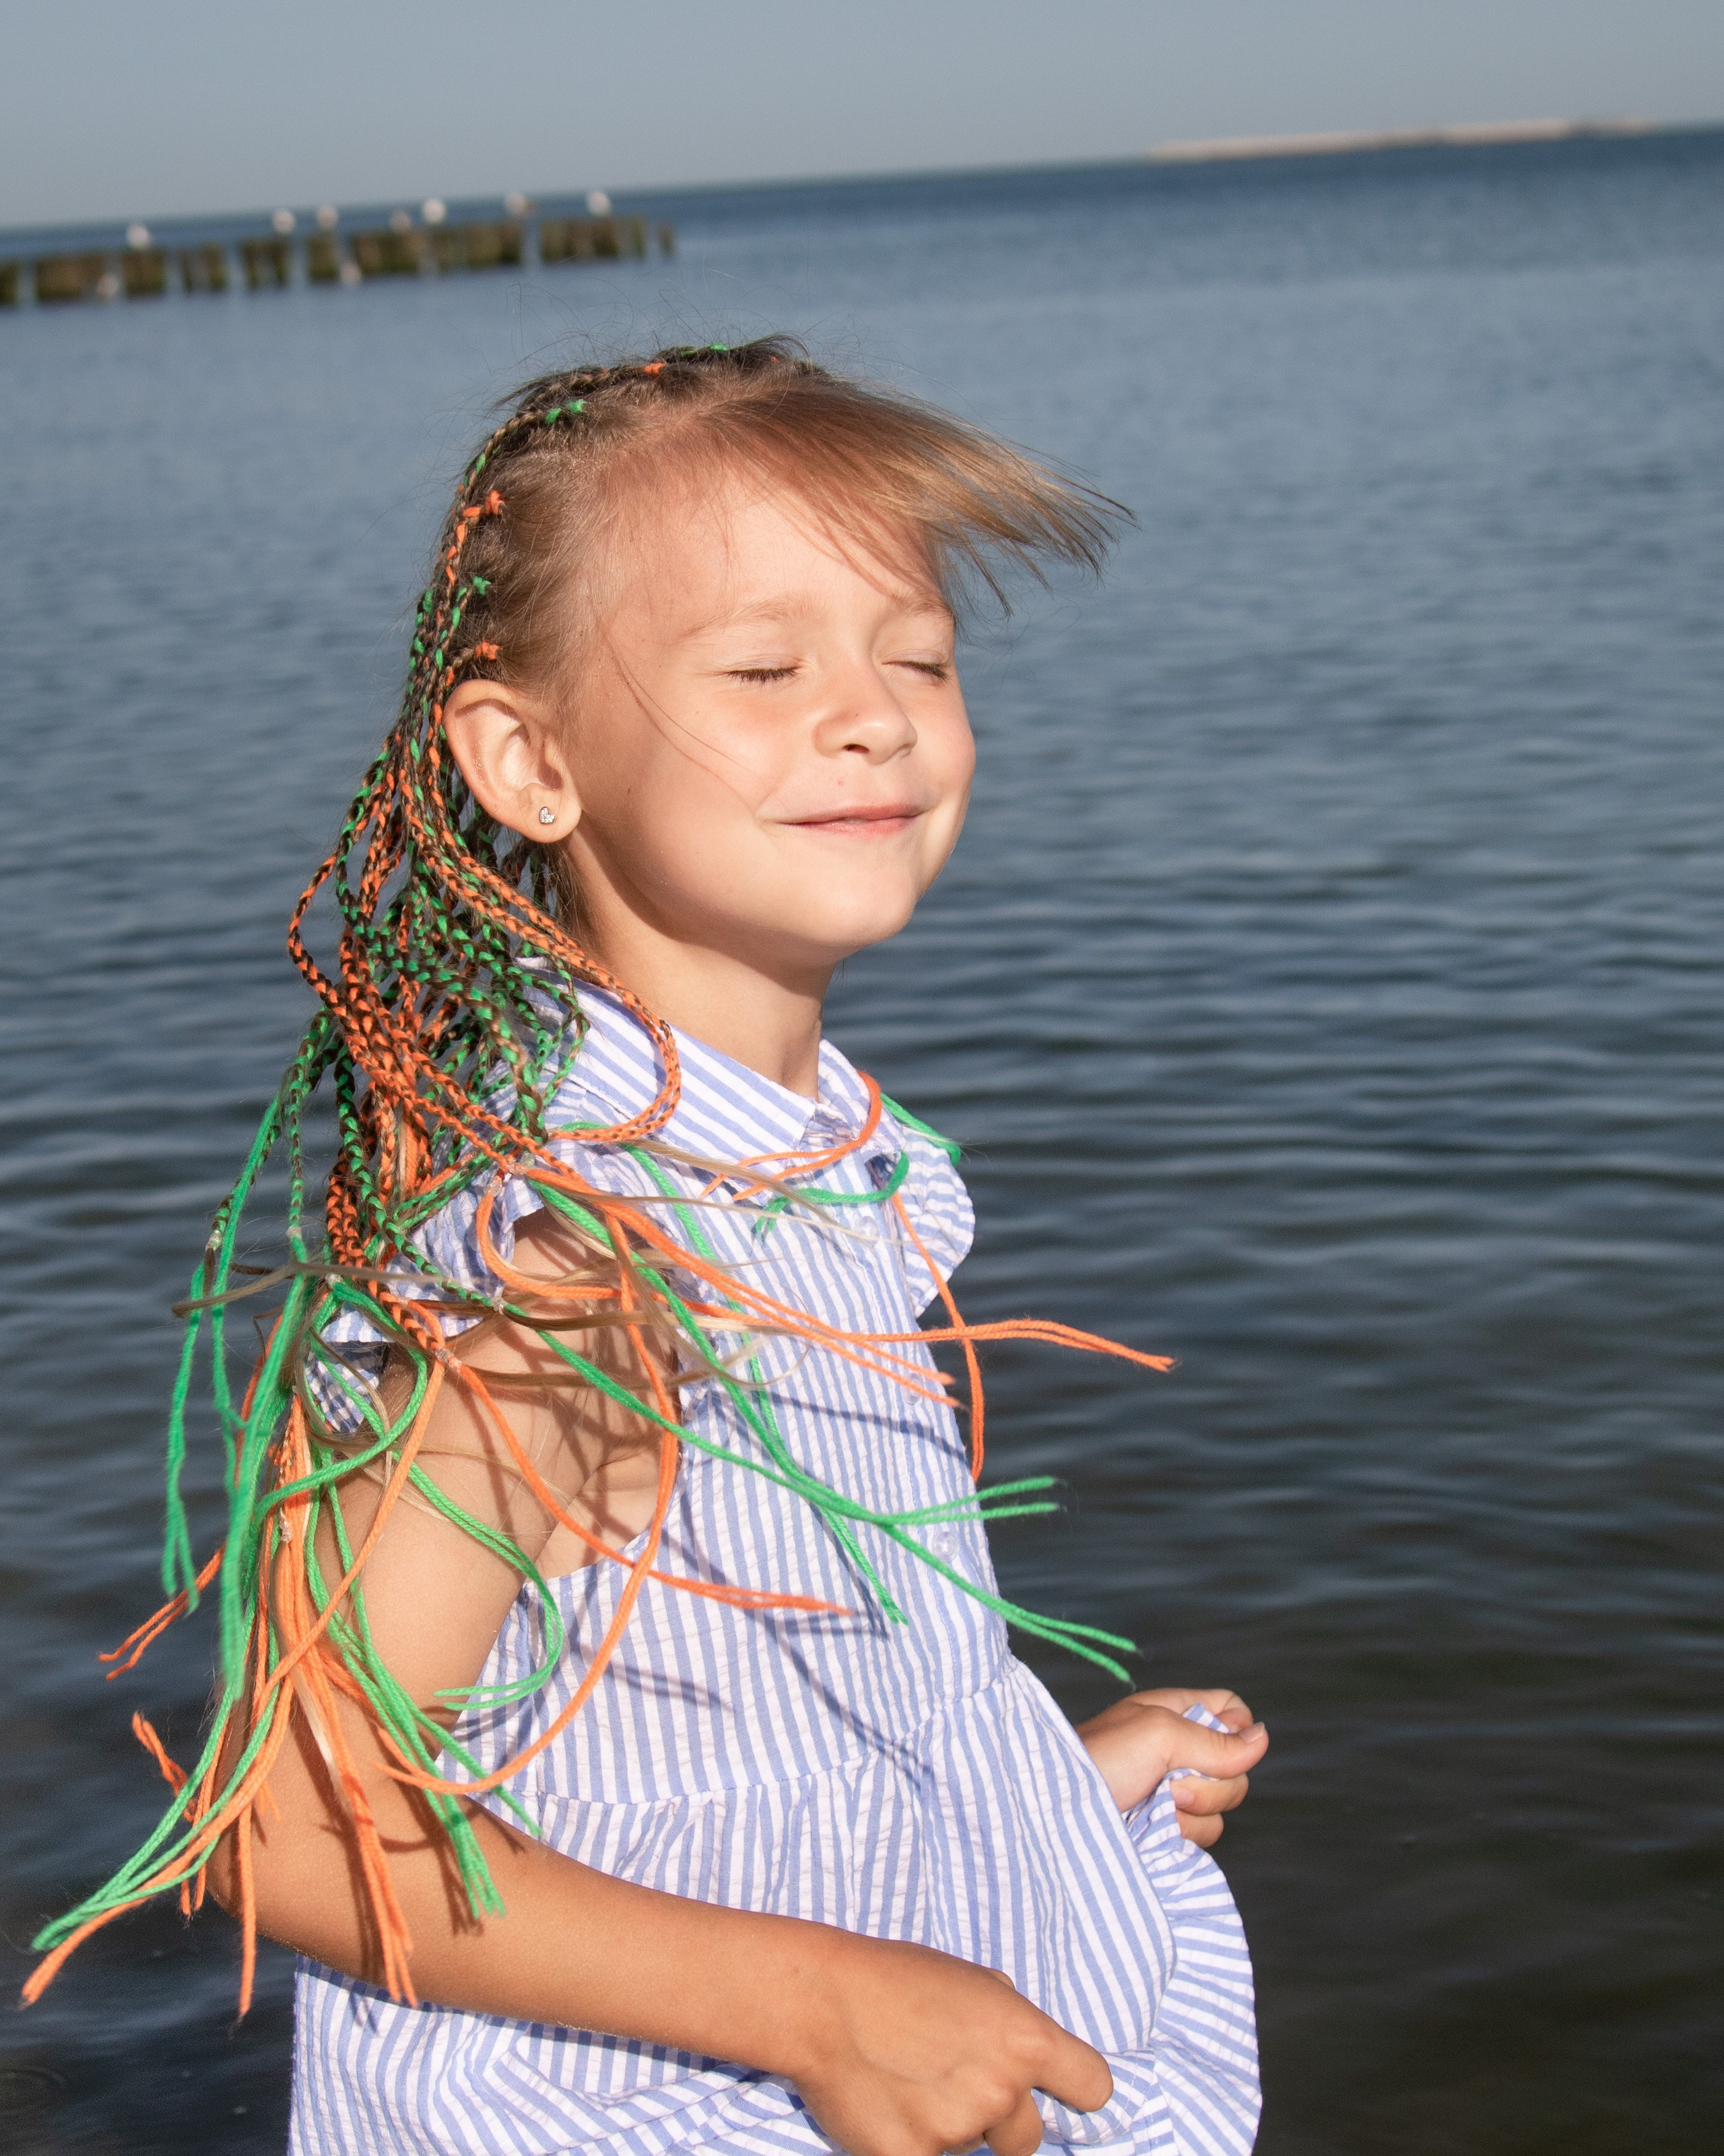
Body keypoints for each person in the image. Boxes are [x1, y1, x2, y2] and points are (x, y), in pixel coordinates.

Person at [30, 339, 1269, 2156]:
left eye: (915, 654)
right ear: (529, 758)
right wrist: (829, 2003)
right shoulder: (559, 1260)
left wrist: (1048, 1803)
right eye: (764, 667)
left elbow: (723, 1743)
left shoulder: (806, 1184)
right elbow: (289, 1826)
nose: (870, 714)